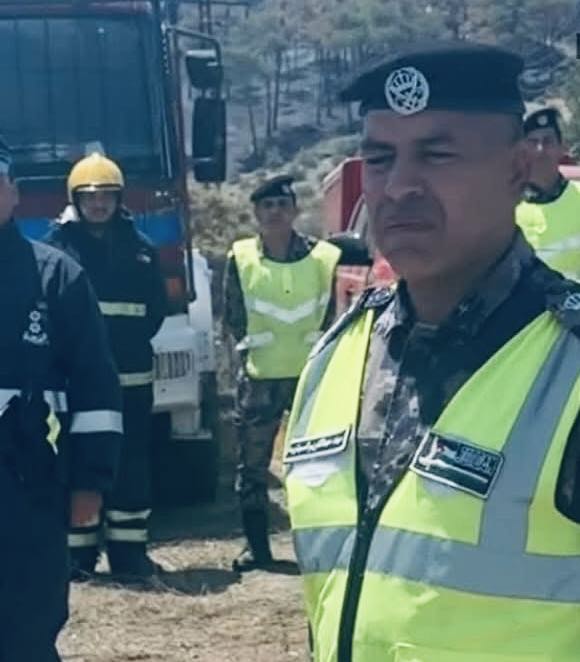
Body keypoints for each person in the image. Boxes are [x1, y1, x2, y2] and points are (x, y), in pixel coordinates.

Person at [283, 43, 580, 661]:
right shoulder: (336, 356)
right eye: (380, 159)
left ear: (518, 169)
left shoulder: (568, 367)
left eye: (437, 155)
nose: (399, 187)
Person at [0, 138, 122, 660]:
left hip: (27, 481)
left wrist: (90, 481)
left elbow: (95, 385)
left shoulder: (56, 276)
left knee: (26, 624)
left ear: (13, 193)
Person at [44, 152, 168, 580]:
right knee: (73, 460)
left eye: (107, 196)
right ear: (75, 199)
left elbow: (155, 311)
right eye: (90, 196)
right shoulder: (55, 250)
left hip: (131, 379)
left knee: (132, 463)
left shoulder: (141, 251)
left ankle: (129, 555)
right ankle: (77, 557)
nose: (99, 204)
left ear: (119, 199)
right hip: (74, 384)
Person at [223, 175, 341, 572]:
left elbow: (333, 314)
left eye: (282, 204)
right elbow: (234, 315)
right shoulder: (240, 257)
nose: (275, 212)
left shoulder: (324, 257)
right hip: (259, 379)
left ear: (295, 210)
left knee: (320, 466)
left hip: (312, 379)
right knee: (253, 468)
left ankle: (323, 546)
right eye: (267, 205)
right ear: (256, 213)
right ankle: (257, 549)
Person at [516, 107, 580, 280]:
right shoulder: (502, 206)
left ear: (562, 148)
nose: (540, 150)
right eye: (532, 142)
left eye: (548, 141)